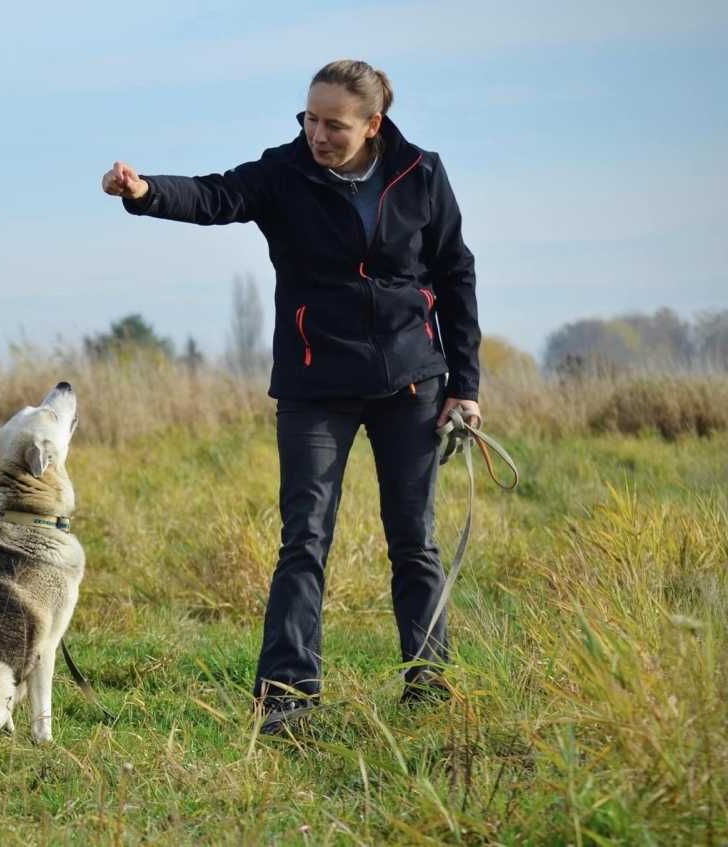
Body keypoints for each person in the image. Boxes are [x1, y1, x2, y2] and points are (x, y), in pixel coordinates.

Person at [101, 59, 481, 732]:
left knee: (415, 542)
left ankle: (429, 687)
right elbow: (216, 196)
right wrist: (144, 191)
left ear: (373, 124)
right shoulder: (284, 172)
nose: (318, 134)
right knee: (303, 539)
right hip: (316, 384)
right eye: (309, 118)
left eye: (334, 123)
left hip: (412, 383)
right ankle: (287, 697)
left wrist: (465, 388)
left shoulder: (421, 173)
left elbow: (455, 273)